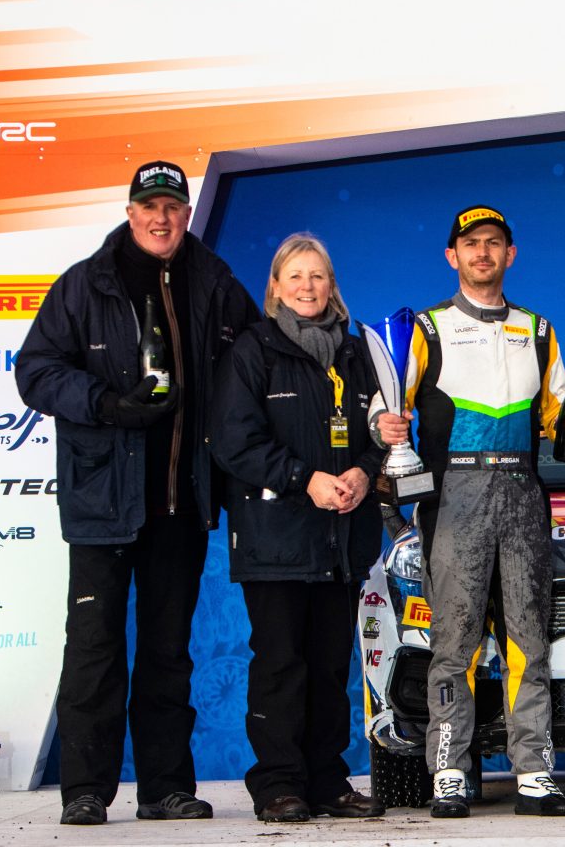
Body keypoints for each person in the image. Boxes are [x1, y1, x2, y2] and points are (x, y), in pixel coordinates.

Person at [15, 160, 260, 826]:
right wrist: (105, 403)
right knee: (93, 648)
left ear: (186, 213)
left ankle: (164, 788)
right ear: (130, 213)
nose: (161, 218)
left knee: (166, 651)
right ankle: (85, 790)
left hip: (182, 500)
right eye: (149, 206)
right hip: (103, 499)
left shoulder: (215, 282)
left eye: (172, 207)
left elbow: (256, 363)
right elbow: (35, 371)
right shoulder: (84, 284)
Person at [373, 205, 565, 819]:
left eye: (494, 242)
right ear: (453, 255)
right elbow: (384, 405)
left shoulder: (538, 330)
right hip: (454, 494)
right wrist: (384, 424)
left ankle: (535, 774)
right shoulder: (426, 328)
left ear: (510, 254)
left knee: (528, 640)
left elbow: (558, 417)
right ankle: (449, 770)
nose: (482, 252)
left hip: (521, 490)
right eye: (471, 243)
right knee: (455, 642)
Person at [210, 233, 388, 823]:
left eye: (317, 276)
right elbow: (233, 441)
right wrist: (302, 478)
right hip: (275, 539)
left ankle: (328, 781)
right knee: (281, 663)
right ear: (276, 287)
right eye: (296, 276)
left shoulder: (358, 353)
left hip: (342, 538)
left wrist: (365, 471)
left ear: (331, 285)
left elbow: (380, 431)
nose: (307, 287)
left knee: (331, 665)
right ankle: (278, 784)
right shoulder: (253, 350)